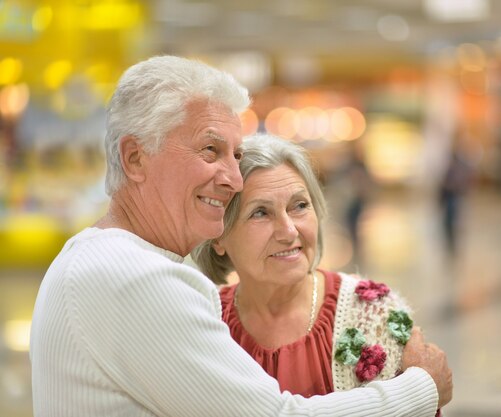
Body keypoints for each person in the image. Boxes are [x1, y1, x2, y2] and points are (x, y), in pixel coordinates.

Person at [29, 55, 452, 416]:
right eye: (209, 151)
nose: (232, 179)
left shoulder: (94, 257)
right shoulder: (135, 279)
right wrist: (421, 387)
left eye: (235, 155)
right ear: (135, 158)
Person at [192, 133, 446, 416]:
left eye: (299, 205)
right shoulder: (202, 321)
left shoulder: (373, 314)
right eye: (260, 213)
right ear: (218, 235)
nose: (289, 231)